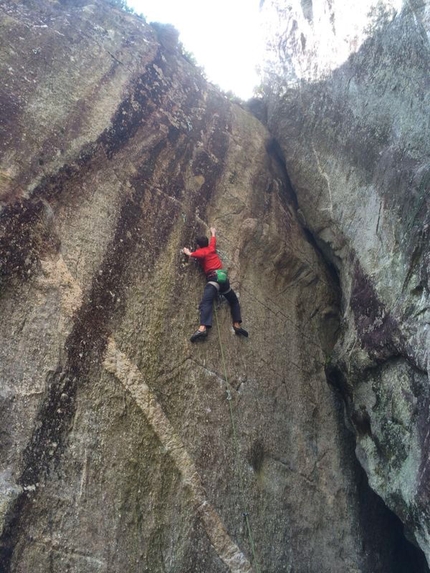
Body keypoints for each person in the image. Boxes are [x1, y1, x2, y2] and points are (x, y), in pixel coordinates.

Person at [183, 227, 248, 342]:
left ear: (198, 245)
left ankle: (202, 328)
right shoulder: (211, 248)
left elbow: (193, 255)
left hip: (214, 280)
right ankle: (237, 324)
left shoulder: (201, 252)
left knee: (207, 301)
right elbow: (213, 240)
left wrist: (187, 252)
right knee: (233, 300)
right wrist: (213, 232)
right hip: (223, 280)